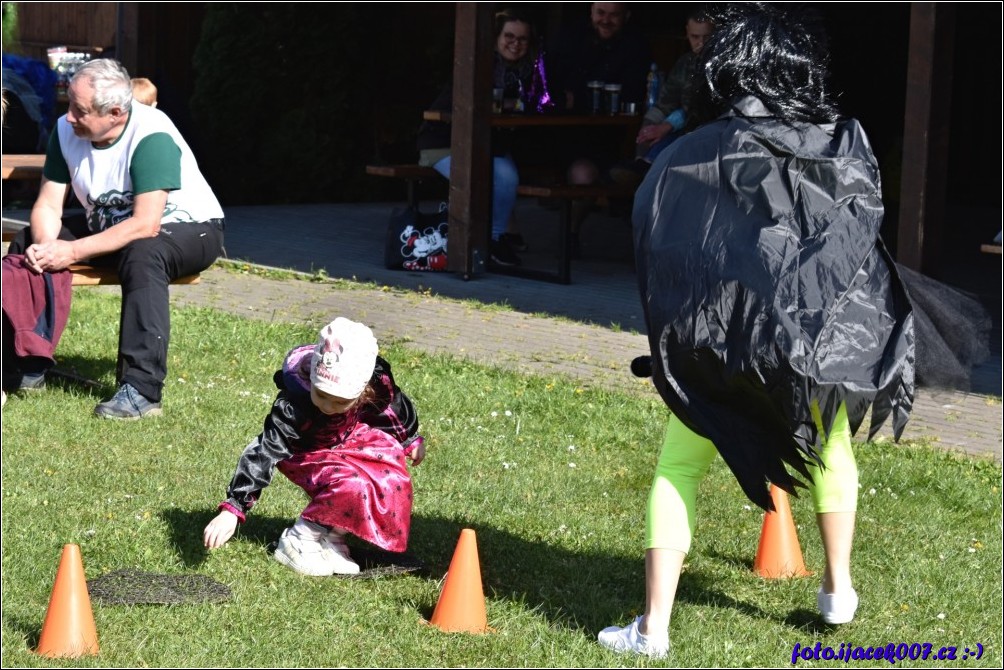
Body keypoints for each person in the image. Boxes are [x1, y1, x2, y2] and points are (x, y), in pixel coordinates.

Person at [598, 4, 916, 658]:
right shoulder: (842, 140)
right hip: (815, 343)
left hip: (723, 343)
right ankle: (838, 589)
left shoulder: (696, 153)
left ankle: (653, 628)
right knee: (832, 447)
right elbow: (857, 238)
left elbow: (666, 244)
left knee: (679, 465)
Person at [2, 58, 225, 419]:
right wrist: (46, 248)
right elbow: (47, 205)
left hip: (190, 229)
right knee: (29, 242)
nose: (69, 116)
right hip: (111, 224)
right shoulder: (65, 131)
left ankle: (141, 389)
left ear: (117, 113)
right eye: (70, 104)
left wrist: (70, 250)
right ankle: (26, 361)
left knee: (143, 253)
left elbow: (144, 224)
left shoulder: (151, 134)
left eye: (80, 110)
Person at [203, 317, 427, 576]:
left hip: (349, 440)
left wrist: (408, 438)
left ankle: (332, 537)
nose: (328, 407)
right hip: (305, 451)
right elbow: (264, 451)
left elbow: (389, 406)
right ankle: (299, 539)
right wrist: (234, 508)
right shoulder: (294, 404)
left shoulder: (372, 382)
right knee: (350, 482)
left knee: (389, 472)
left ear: (363, 391)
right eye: (321, 395)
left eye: (339, 402)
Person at [417, 7, 553, 267]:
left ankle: (495, 240)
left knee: (506, 175)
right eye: (509, 37)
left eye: (522, 39)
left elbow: (539, 104)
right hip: (443, 143)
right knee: (494, 177)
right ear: (495, 38)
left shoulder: (528, 72)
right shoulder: (477, 64)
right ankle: (485, 242)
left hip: (488, 145)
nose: (515, 44)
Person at [546, 2, 651, 255]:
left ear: (626, 16)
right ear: (591, 13)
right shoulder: (569, 39)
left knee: (641, 165)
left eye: (614, 14)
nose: (606, 20)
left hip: (618, 135)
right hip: (565, 134)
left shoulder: (635, 44)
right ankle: (569, 236)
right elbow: (554, 90)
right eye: (601, 13)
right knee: (584, 174)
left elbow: (635, 93)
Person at [610, 6, 714, 184]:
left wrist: (669, 124)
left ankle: (647, 169)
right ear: (687, 33)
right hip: (680, 130)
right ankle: (643, 166)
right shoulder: (685, 63)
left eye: (707, 37)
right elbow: (666, 102)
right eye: (695, 37)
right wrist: (649, 128)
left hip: (707, 134)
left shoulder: (724, 66)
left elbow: (705, 109)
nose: (701, 44)